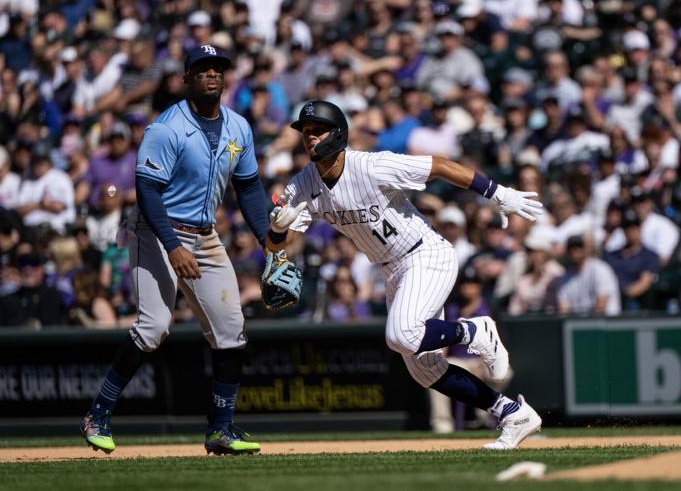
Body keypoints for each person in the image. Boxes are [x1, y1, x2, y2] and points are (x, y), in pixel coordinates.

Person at [266, 100, 544, 449]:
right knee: (425, 370)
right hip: (392, 269)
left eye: (317, 130)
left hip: (425, 253)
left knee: (401, 335)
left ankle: (474, 330)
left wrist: (497, 193)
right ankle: (512, 413)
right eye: (305, 132)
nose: (309, 138)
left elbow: (440, 166)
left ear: (338, 134)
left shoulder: (371, 165)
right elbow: (275, 245)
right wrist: (276, 230)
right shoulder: (303, 184)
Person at [80, 45, 269, 456]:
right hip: (155, 230)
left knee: (231, 332)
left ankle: (221, 429)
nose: (211, 74)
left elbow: (250, 187)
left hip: (205, 235)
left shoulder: (239, 127)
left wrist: (268, 241)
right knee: (154, 325)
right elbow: (147, 190)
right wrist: (171, 246)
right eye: (202, 69)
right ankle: (99, 413)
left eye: (218, 68)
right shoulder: (166, 127)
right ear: (186, 79)